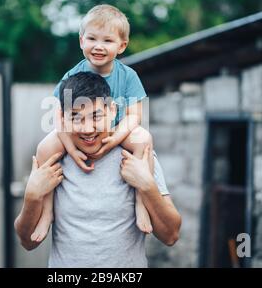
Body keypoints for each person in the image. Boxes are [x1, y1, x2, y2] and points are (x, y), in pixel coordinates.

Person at [14, 72, 181, 267]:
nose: (87, 129)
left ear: (111, 110)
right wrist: (32, 197)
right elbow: (27, 242)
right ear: (62, 119)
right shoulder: (54, 158)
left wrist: (147, 185)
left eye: (96, 116)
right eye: (76, 117)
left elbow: (171, 236)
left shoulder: (138, 155)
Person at [32, 4, 157, 242]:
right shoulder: (71, 75)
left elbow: (134, 115)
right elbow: (58, 116)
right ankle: (47, 211)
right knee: (44, 149)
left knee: (144, 139)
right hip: (77, 131)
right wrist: (71, 149)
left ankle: (142, 201)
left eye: (108, 41)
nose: (98, 46)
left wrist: (113, 141)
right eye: (92, 38)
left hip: (115, 130)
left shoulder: (128, 76)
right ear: (81, 41)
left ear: (121, 46)